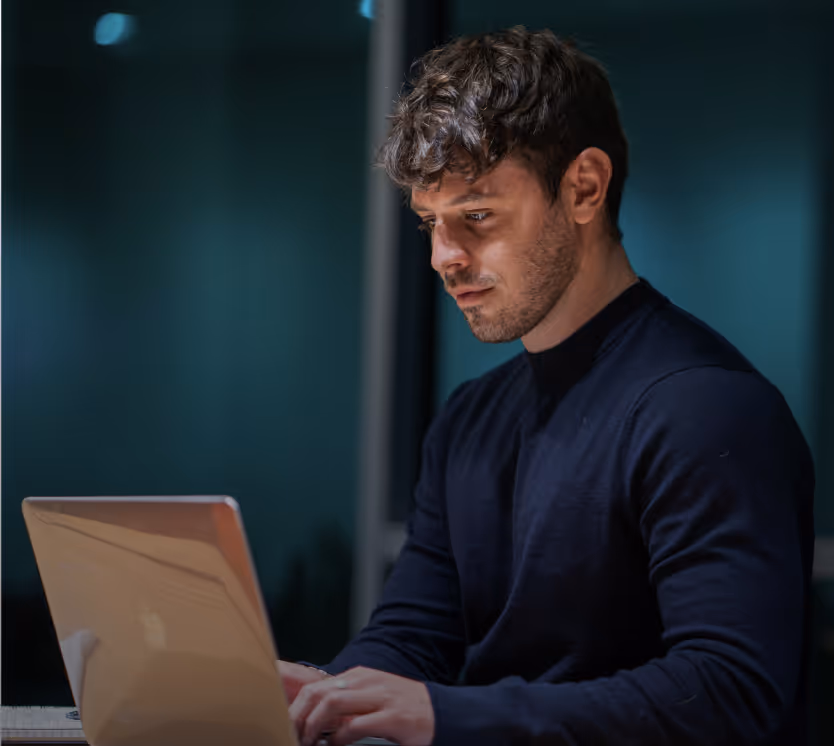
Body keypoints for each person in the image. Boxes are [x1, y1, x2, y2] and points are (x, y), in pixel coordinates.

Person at [280, 26, 815, 746]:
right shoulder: (469, 419)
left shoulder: (706, 409)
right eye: (429, 224)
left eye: (476, 217)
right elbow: (413, 635)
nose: (443, 258)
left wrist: (448, 716)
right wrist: (330, 695)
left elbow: (730, 693)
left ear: (584, 188)